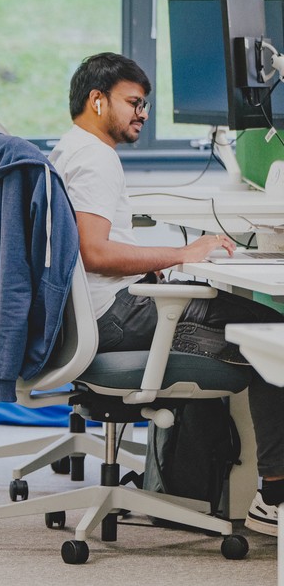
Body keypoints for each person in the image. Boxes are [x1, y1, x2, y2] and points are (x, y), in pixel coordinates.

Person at [49, 52, 284, 537]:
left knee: (235, 309)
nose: (143, 113)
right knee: (272, 334)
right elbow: (95, 253)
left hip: (99, 312)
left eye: (146, 104)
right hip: (114, 317)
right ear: (97, 101)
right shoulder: (96, 158)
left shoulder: (69, 149)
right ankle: (274, 498)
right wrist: (181, 255)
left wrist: (166, 264)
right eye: (133, 102)